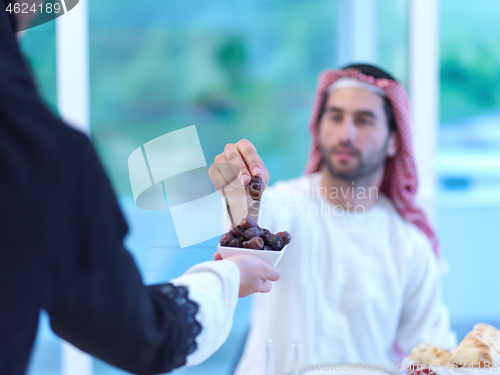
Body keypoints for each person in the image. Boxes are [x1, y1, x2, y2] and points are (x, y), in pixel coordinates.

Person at [0, 6, 281, 375]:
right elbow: (137, 330)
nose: (215, 85)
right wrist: (229, 276)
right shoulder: (40, 154)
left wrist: (242, 214)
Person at [210, 64, 456, 374]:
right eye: (336, 117)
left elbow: (432, 354)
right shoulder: (285, 207)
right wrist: (241, 192)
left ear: (394, 140)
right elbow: (246, 232)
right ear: (319, 126)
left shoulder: (410, 244)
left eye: (363, 120)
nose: (345, 133)